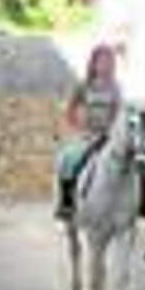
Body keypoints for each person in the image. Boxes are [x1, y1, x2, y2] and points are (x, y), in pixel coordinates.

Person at [54, 44, 124, 221]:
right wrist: (79, 129)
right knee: (67, 159)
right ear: (93, 63)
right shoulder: (83, 85)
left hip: (108, 136)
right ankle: (66, 203)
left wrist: (113, 131)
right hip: (86, 135)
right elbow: (69, 111)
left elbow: (118, 112)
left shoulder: (116, 87)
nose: (105, 64)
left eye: (109, 61)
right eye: (101, 60)